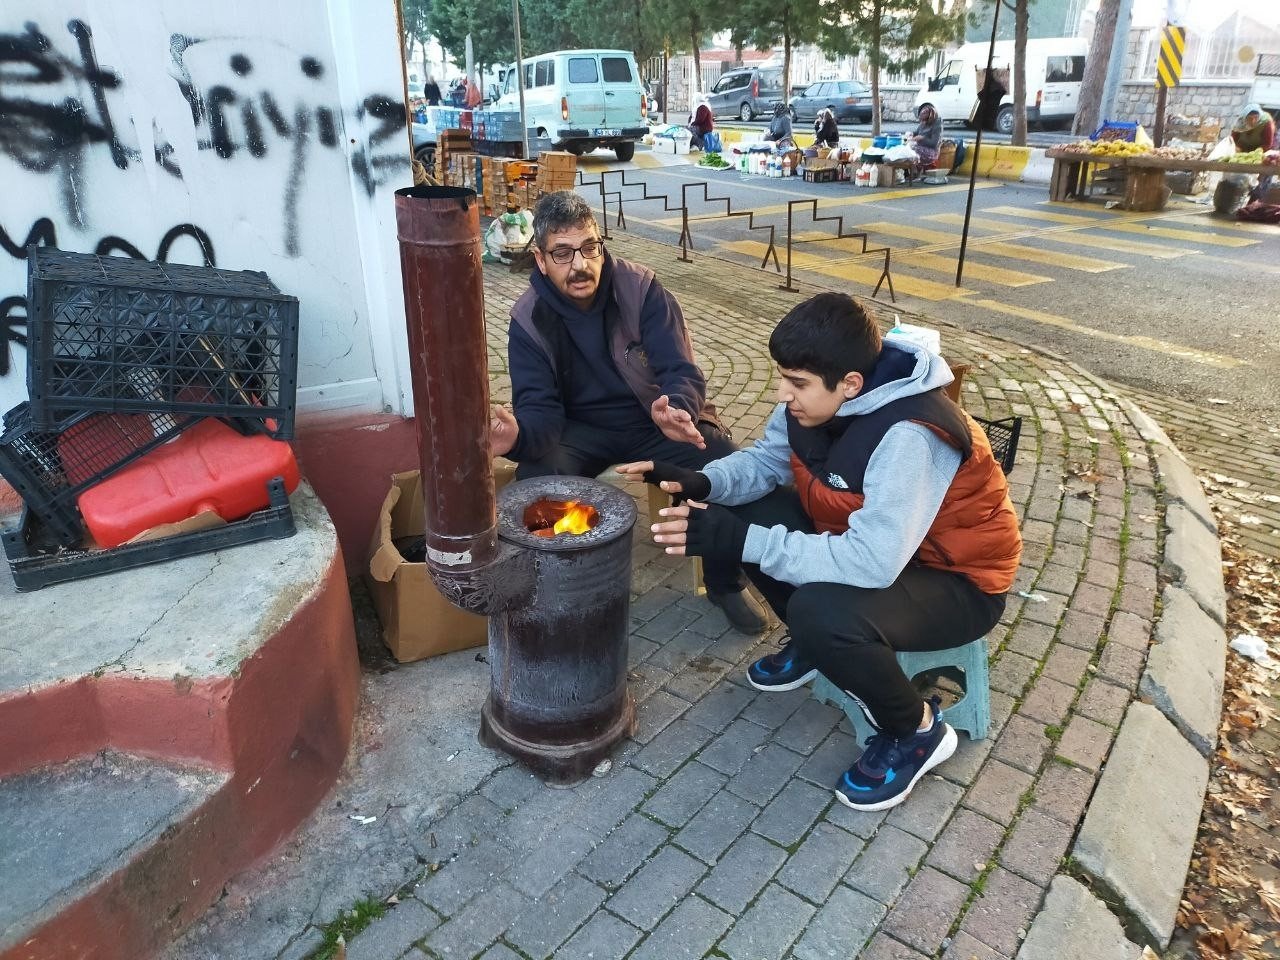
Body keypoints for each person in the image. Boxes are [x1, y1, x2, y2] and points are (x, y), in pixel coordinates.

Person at [619, 293, 1022, 811]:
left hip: (958, 581)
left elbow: (872, 561)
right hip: (883, 550)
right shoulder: (813, 393)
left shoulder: (911, 436)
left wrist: (744, 543)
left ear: (850, 384)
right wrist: (701, 481)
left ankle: (916, 730)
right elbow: (765, 464)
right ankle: (815, 647)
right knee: (741, 512)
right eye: (784, 377)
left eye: (798, 384)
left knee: (819, 609)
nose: (783, 392)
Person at [490, 191, 768, 634]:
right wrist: (518, 439)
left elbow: (682, 369)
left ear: (600, 244)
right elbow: (538, 410)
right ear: (541, 260)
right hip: (577, 431)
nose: (580, 265)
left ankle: (725, 581)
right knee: (538, 477)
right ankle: (563, 590)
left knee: (722, 463)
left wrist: (677, 408)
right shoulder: (529, 318)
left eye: (589, 248)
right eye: (562, 253)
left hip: (651, 418)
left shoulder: (642, 289)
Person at [1231, 103, 1277, 200]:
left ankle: (1255, 202)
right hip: (1245, 150)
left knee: (1262, 177)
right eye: (1250, 118)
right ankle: (1237, 196)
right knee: (1238, 180)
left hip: (1264, 150)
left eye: (1255, 118)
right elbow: (1232, 139)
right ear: (1244, 117)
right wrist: (1236, 148)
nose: (1253, 121)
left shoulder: (1266, 122)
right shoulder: (1240, 122)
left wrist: (1254, 155)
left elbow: (1267, 144)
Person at [910, 104, 943, 169]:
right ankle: (911, 171)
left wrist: (922, 138)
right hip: (920, 147)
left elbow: (934, 143)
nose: (922, 121)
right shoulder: (923, 122)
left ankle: (914, 171)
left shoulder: (937, 125)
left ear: (930, 117)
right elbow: (916, 133)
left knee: (912, 151)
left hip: (932, 152)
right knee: (907, 148)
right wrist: (911, 134)